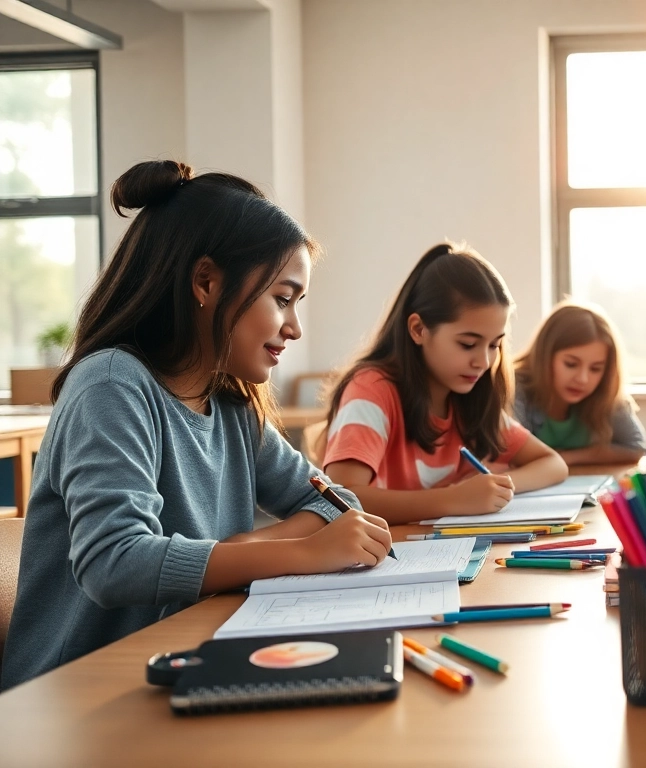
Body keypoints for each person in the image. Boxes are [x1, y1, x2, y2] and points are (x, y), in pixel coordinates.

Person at [1, 160, 391, 691]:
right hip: (77, 692)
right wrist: (300, 552)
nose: (295, 328)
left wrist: (242, 550)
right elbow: (114, 562)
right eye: (282, 299)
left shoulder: (232, 406)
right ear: (205, 281)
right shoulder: (111, 387)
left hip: (179, 662)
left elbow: (332, 499)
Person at [323, 243, 567, 524]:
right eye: (468, 344)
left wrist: (494, 487)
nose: (484, 362)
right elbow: (341, 498)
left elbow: (553, 464)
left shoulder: (467, 397)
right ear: (418, 329)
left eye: (494, 345)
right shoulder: (372, 389)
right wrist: (455, 499)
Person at [512, 302, 646, 465]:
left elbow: (636, 446)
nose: (583, 379)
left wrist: (565, 458)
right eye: (571, 364)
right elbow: (513, 453)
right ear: (544, 355)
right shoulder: (513, 385)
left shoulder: (606, 390)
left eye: (596, 369)